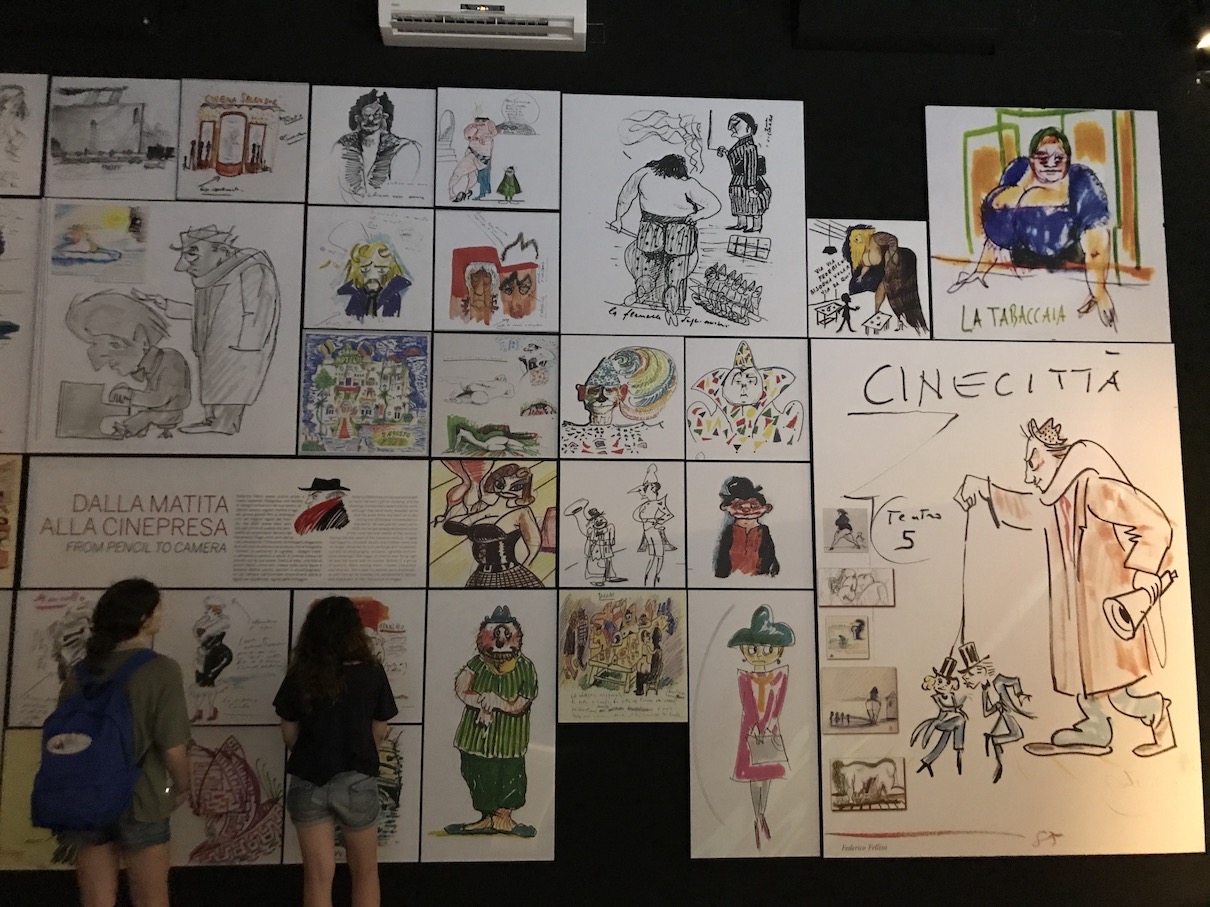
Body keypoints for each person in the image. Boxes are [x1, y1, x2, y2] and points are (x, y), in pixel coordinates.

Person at [955, 417, 1176, 758]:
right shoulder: (1058, 500)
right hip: (1078, 612)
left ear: (1059, 459)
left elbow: (1155, 525)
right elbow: (1027, 509)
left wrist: (1141, 580)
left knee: (1118, 690)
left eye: (1034, 463)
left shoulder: (1096, 489)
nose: (1029, 475)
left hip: (1111, 610)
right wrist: (986, 490)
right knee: (1086, 680)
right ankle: (1095, 728)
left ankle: (1158, 715)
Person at [61, 578, 192, 907]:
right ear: (144, 619)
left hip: (86, 795)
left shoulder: (81, 672)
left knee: (96, 899)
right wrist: (182, 787)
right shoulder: (161, 670)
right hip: (142, 796)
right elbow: (172, 746)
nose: (162, 615)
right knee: (151, 898)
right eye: (158, 608)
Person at [274, 596, 398, 907]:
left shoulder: (300, 674)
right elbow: (380, 730)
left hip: (308, 780)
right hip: (357, 780)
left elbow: (288, 733)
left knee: (317, 877)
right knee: (365, 873)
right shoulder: (372, 672)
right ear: (354, 631)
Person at [950, 126, 1117, 328]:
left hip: (1069, 269)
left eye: (1058, 159)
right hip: (1022, 270)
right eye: (1043, 158)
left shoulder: (1082, 181)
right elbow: (999, 227)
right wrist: (980, 270)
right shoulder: (1019, 171)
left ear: (1068, 159)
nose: (1051, 165)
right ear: (1032, 160)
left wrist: (1099, 291)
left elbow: (1097, 242)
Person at [135, 225, 280, 435]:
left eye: (193, 255)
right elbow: (207, 313)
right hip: (214, 344)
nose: (183, 266)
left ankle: (225, 424)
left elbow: (260, 310)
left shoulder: (252, 269)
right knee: (215, 384)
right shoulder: (214, 276)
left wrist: (247, 348)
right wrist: (166, 304)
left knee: (231, 385)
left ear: (220, 250)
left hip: (238, 348)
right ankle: (213, 420)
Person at [609, 154, 721, 324]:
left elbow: (625, 197)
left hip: (650, 226)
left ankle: (643, 286)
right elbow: (714, 205)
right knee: (678, 260)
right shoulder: (688, 183)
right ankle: (672, 290)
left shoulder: (644, 173)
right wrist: (697, 216)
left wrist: (618, 219)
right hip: (681, 229)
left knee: (647, 258)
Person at [65, 291, 192, 440]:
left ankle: (128, 429)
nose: (110, 363)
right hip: (157, 408)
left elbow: (159, 399)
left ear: (143, 340)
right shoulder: (149, 364)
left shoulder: (171, 360)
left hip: (170, 411)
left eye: (115, 345)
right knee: (144, 415)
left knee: (146, 416)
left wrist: (130, 395)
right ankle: (136, 429)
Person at [727, 604, 794, 850]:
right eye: (753, 649)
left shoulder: (780, 676)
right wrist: (756, 727)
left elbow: (778, 705)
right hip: (751, 732)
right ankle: (756, 816)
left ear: (778, 651)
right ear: (744, 651)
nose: (760, 654)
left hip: (770, 731)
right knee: (754, 778)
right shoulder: (745, 677)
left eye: (767, 649)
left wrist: (770, 724)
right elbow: (748, 704)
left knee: (767, 777)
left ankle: (762, 813)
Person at [441, 462, 544, 588]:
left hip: (510, 573)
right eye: (501, 485)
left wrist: (526, 567)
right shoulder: (482, 507)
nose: (506, 490)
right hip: (480, 574)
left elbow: (534, 543)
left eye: (516, 487)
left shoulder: (521, 512)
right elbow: (458, 521)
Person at [335, 90, 419, 200]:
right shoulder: (342, 146)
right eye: (366, 115)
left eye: (376, 115)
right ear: (357, 118)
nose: (370, 119)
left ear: (384, 117)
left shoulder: (402, 148)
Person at [911, 657, 967, 777]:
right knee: (960, 721)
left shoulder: (951, 696)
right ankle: (959, 750)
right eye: (940, 681)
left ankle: (928, 760)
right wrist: (957, 710)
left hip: (950, 721)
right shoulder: (937, 697)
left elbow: (955, 709)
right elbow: (945, 708)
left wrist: (960, 709)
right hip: (941, 722)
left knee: (943, 741)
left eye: (947, 683)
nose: (943, 685)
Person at [714, 476, 779, 578]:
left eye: (753, 505)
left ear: (766, 508)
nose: (746, 510)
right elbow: (723, 557)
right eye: (739, 505)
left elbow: (769, 556)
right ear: (726, 507)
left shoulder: (763, 531)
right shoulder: (729, 531)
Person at [716, 112, 771, 233]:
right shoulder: (740, 144)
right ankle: (741, 224)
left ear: (749, 128)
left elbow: (751, 167)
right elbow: (735, 159)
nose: (732, 129)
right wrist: (725, 152)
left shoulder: (749, 146)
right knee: (739, 200)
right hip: (738, 179)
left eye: (735, 125)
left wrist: (751, 187)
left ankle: (756, 226)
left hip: (748, 179)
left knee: (753, 203)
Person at [337, 242, 411, 321]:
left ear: (390, 269)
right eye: (365, 269)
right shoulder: (347, 296)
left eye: (381, 269)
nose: (373, 275)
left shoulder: (398, 296)